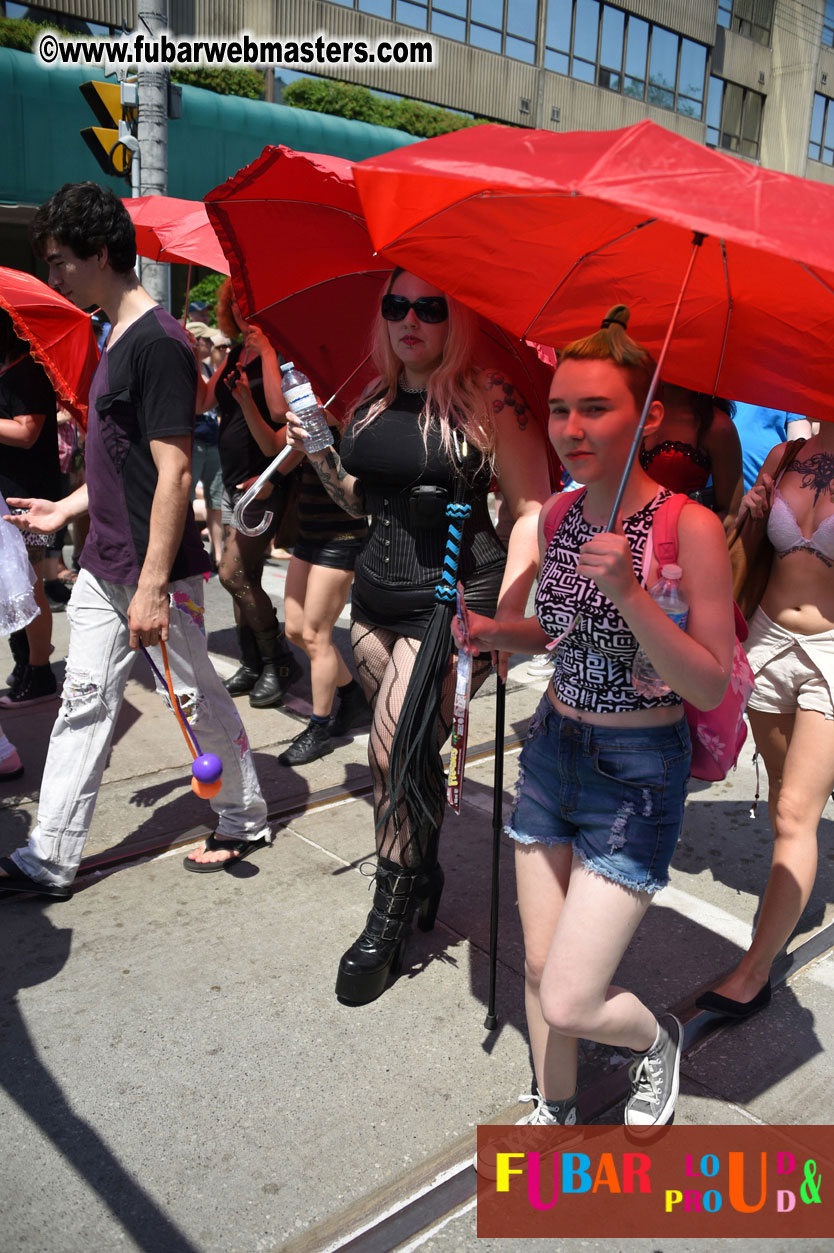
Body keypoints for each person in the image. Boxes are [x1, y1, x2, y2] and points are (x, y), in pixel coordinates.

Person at [456, 307, 734, 1130]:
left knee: (573, 996)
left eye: (595, 408)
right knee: (541, 967)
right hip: (552, 752)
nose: (571, 428)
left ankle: (657, 1038)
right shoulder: (560, 515)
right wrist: (492, 631)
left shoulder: (691, 526)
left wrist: (633, 593)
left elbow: (709, 682)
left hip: (637, 775)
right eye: (559, 409)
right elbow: (557, 628)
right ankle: (557, 1106)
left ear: (648, 416)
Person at [285, 268, 550, 1004]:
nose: (410, 320)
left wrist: (510, 610)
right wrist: (320, 452)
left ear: (456, 319)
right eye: (396, 305)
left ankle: (390, 915)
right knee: (412, 756)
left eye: (430, 308)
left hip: (455, 602)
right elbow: (360, 503)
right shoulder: (372, 397)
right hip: (374, 598)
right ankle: (423, 870)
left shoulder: (489, 396)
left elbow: (531, 508)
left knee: (391, 751)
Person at [0, 182, 272, 898]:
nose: (54, 275)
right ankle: (49, 855)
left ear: (98, 253)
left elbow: (175, 471)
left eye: (59, 260)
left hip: (155, 570)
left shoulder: (159, 342)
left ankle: (243, 815)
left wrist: (152, 586)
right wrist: (65, 509)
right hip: (104, 562)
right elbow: (123, 461)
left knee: (195, 700)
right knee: (83, 700)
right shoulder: (113, 334)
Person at [696, 420, 834, 1020]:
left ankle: (752, 974)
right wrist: (751, 513)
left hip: (831, 654)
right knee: (784, 799)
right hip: (768, 644)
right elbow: (739, 544)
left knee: (797, 811)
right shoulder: (788, 452)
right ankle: (792, 884)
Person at [229, 325, 370, 766]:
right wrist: (246, 403)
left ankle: (320, 726)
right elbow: (276, 447)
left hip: (342, 534)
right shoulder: (314, 402)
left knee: (316, 634)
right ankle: (352, 694)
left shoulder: (352, 406)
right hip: (309, 531)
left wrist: (321, 422)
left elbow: (341, 452)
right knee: (294, 630)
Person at [199, 279, 300, 708]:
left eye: (249, 301)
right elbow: (203, 402)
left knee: (232, 573)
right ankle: (253, 661)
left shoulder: (282, 351)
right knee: (246, 576)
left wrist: (269, 352)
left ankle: (279, 661)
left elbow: (280, 412)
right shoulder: (236, 352)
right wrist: (190, 356)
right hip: (233, 480)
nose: (242, 309)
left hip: (265, 482)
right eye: (236, 303)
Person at [0, 307, 61, 707]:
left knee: (31, 586)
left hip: (30, 500)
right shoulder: (11, 371)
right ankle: (25, 663)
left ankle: (39, 672)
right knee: (12, 585)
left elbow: (26, 432)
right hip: (10, 496)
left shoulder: (28, 372)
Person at [639, 385, 743, 526]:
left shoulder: (717, 427)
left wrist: (681, 535)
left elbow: (731, 513)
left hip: (678, 535)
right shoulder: (636, 411)